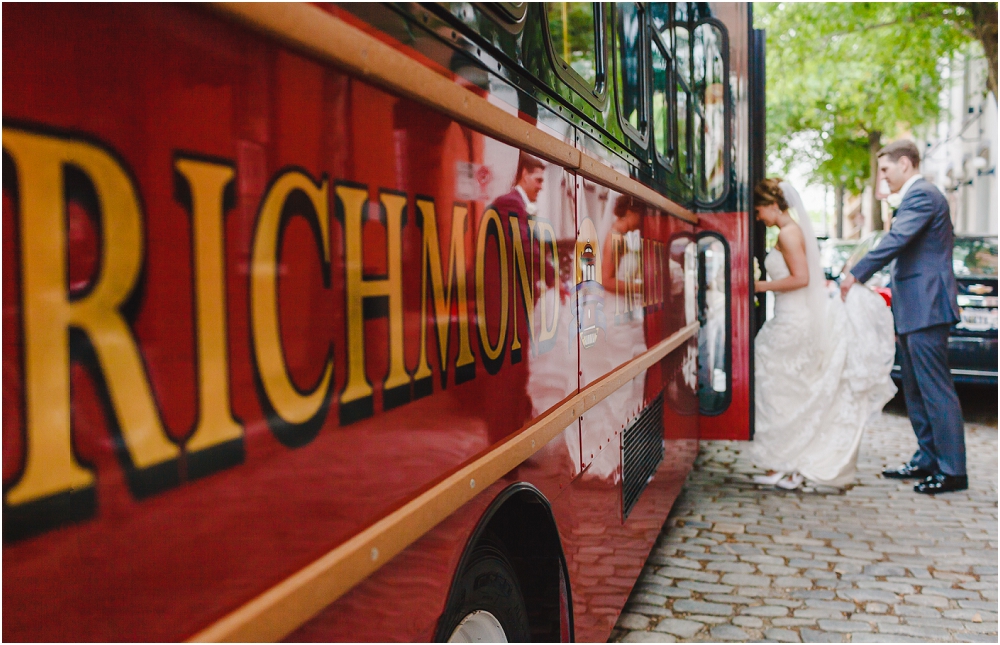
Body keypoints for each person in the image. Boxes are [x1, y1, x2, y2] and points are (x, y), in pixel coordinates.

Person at [751, 179, 897, 490]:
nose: (757, 216)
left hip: (794, 320)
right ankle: (784, 461)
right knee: (786, 391)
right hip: (789, 316)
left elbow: (801, 278)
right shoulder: (790, 231)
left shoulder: (789, 234)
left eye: (759, 209)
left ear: (774, 206)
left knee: (783, 389)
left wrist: (759, 286)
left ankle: (790, 461)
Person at [841, 140, 967, 494]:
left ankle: (953, 470)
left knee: (935, 389)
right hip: (914, 308)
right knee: (915, 389)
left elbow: (897, 239)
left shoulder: (922, 195)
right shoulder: (918, 196)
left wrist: (856, 273)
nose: (882, 177)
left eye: (885, 169)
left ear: (906, 165)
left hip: (927, 308)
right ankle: (927, 459)